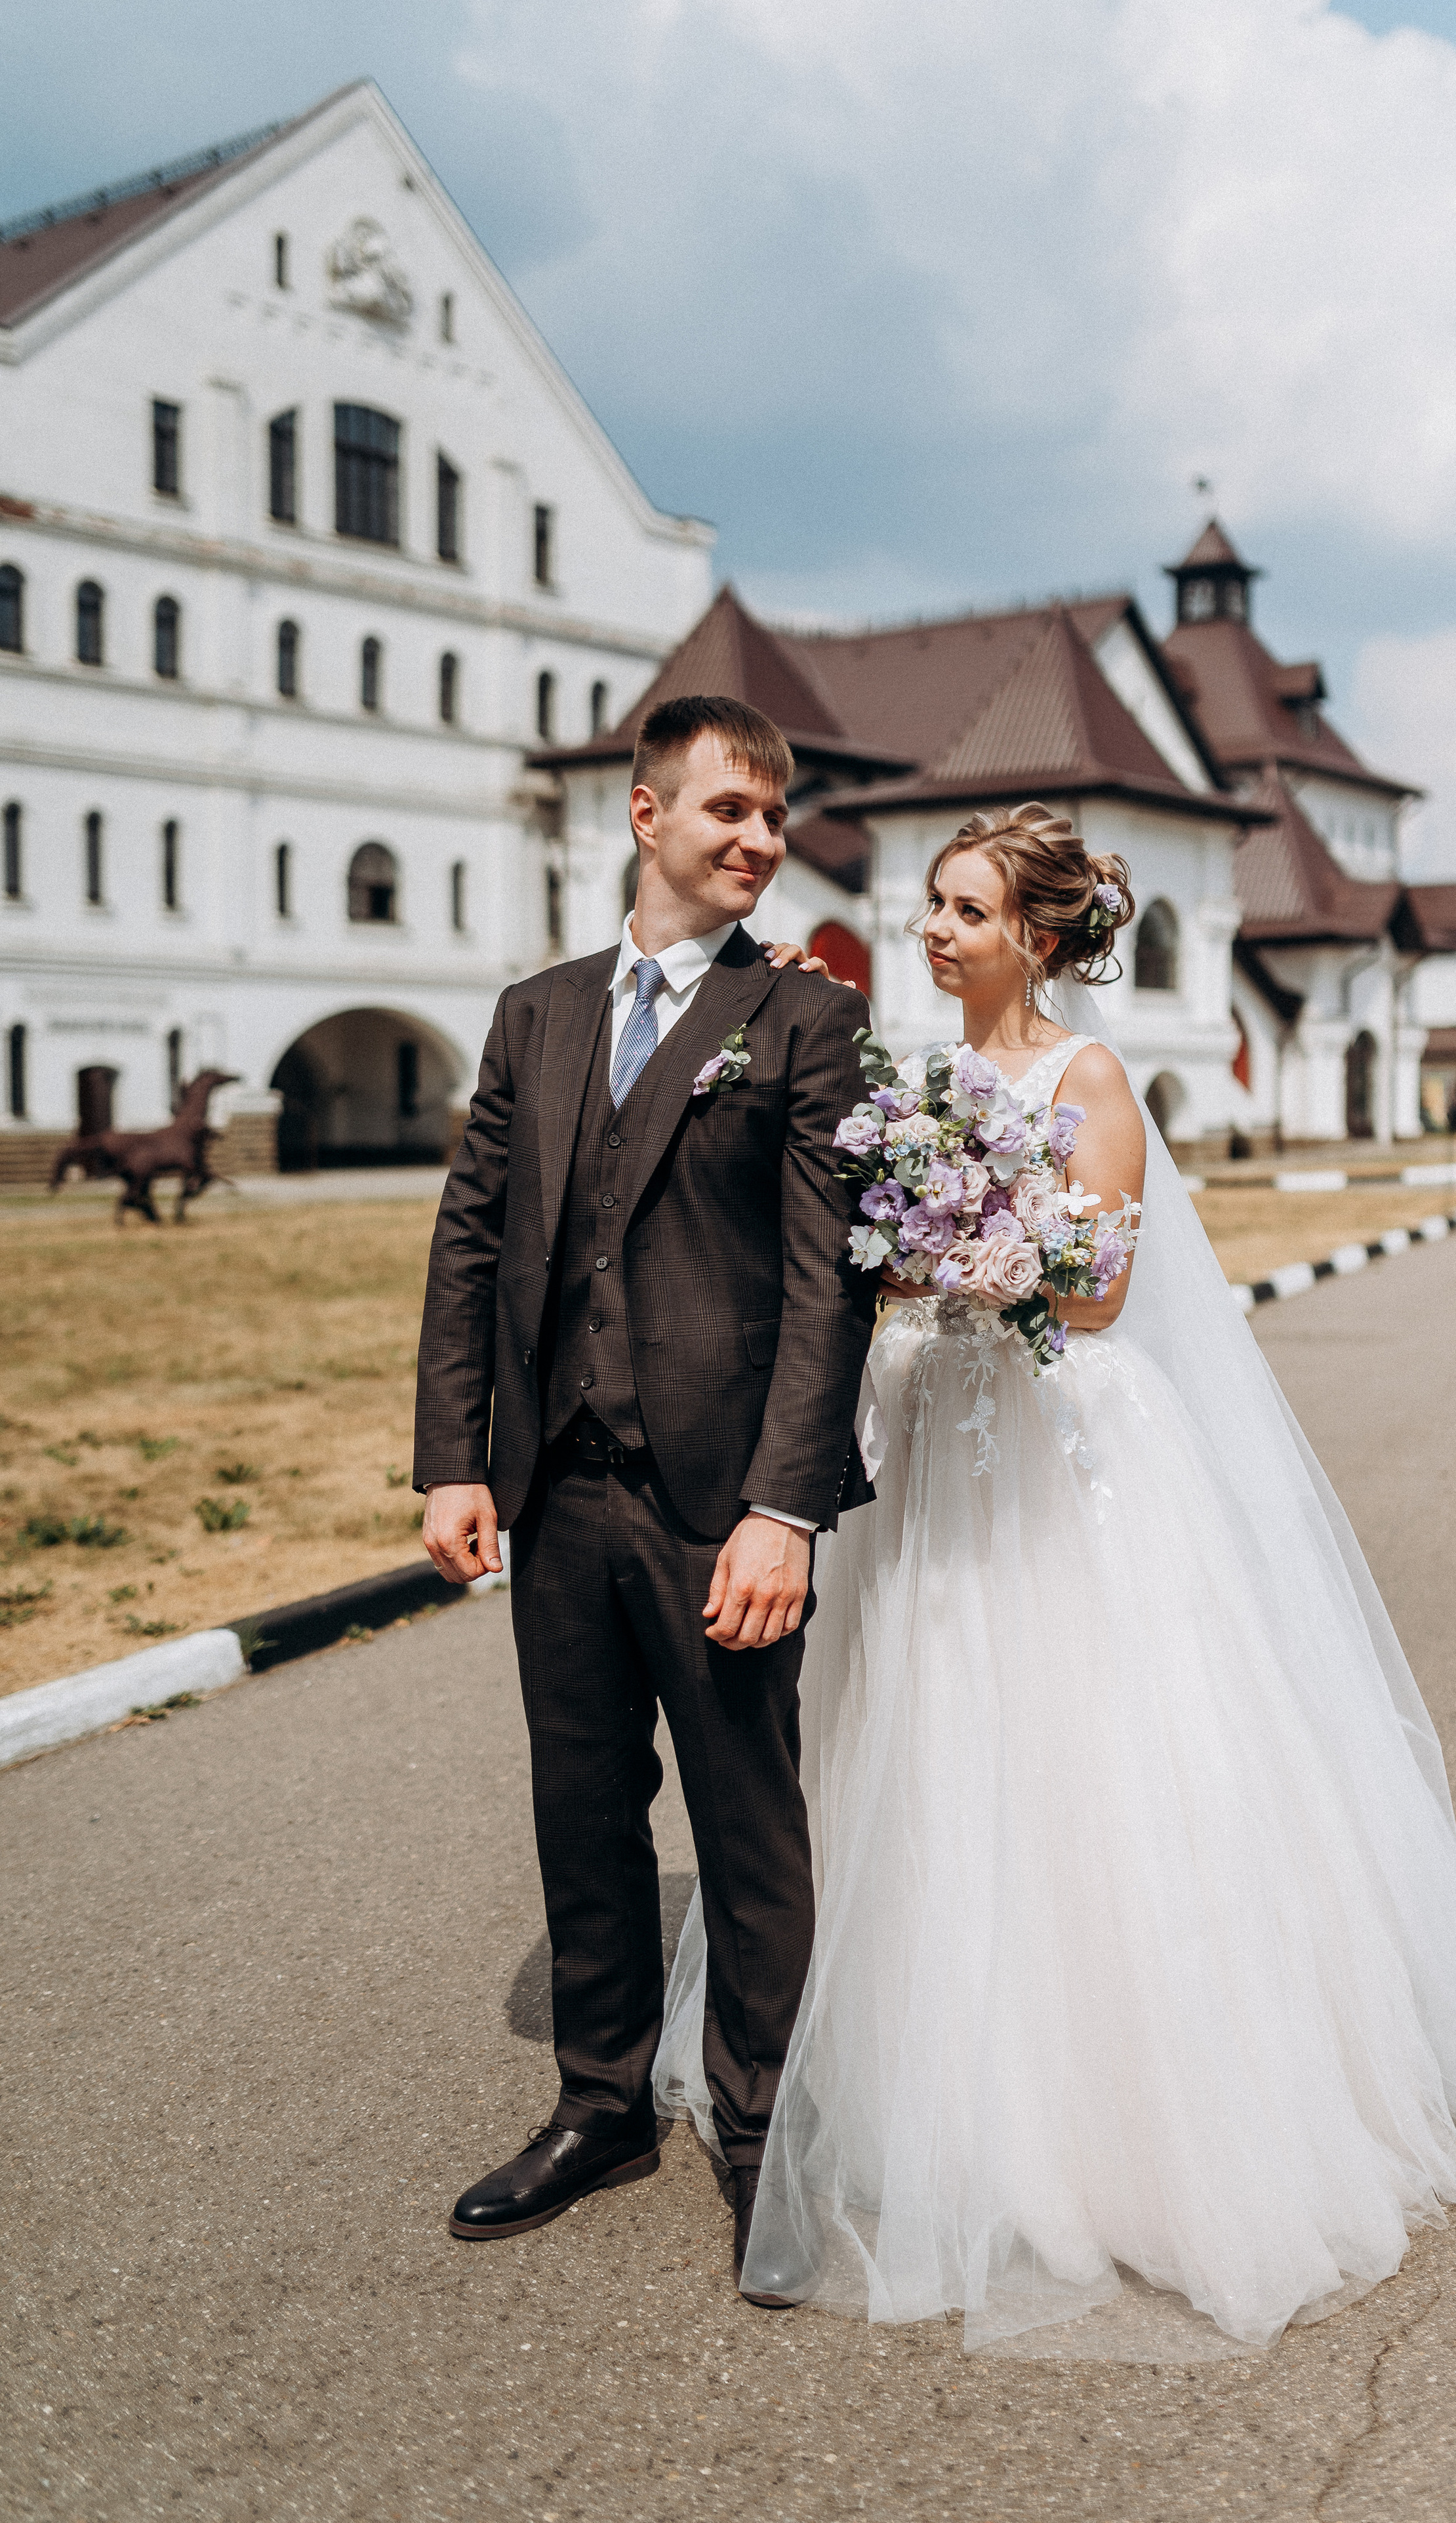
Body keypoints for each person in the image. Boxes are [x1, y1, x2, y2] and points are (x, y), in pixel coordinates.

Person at [654, 800, 1456, 2353]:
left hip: (1051, 1438)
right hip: (928, 1438)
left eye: (962, 910)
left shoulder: (1083, 1076)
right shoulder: (910, 1075)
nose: (933, 930)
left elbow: (1094, 1293)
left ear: (1032, 936)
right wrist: (897, 1250)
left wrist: (965, 1253)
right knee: (922, 1723)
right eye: (935, 907)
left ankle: (1119, 2116)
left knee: (1085, 1739)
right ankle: (929, 2081)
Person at [413, 694, 876, 2285]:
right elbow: (472, 1242)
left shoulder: (805, 1020)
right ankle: (599, 2102)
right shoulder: (534, 1014)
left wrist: (785, 1508)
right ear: (645, 813)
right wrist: (452, 1458)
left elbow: (830, 1288)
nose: (759, 840)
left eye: (774, 817)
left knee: (749, 1822)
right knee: (581, 1806)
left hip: (718, 1505)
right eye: (730, 812)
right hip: (556, 1494)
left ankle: (762, 2130)